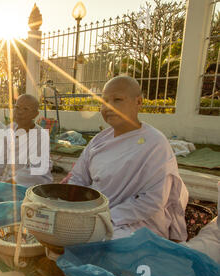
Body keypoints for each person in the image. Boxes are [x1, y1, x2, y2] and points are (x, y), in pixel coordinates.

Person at [66, 75, 188, 241]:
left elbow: (152, 201)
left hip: (138, 222)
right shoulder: (99, 140)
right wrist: (74, 205)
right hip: (95, 214)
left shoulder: (155, 143)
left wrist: (106, 217)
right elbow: (78, 177)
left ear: (138, 102)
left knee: (99, 242)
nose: (108, 107)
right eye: (104, 101)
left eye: (117, 100)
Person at [0, 94, 53, 187]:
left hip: (27, 188)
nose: (19, 112)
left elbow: (34, 172)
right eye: (17, 107)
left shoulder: (41, 136)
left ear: (35, 114)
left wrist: (2, 187)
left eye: (25, 109)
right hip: (6, 183)